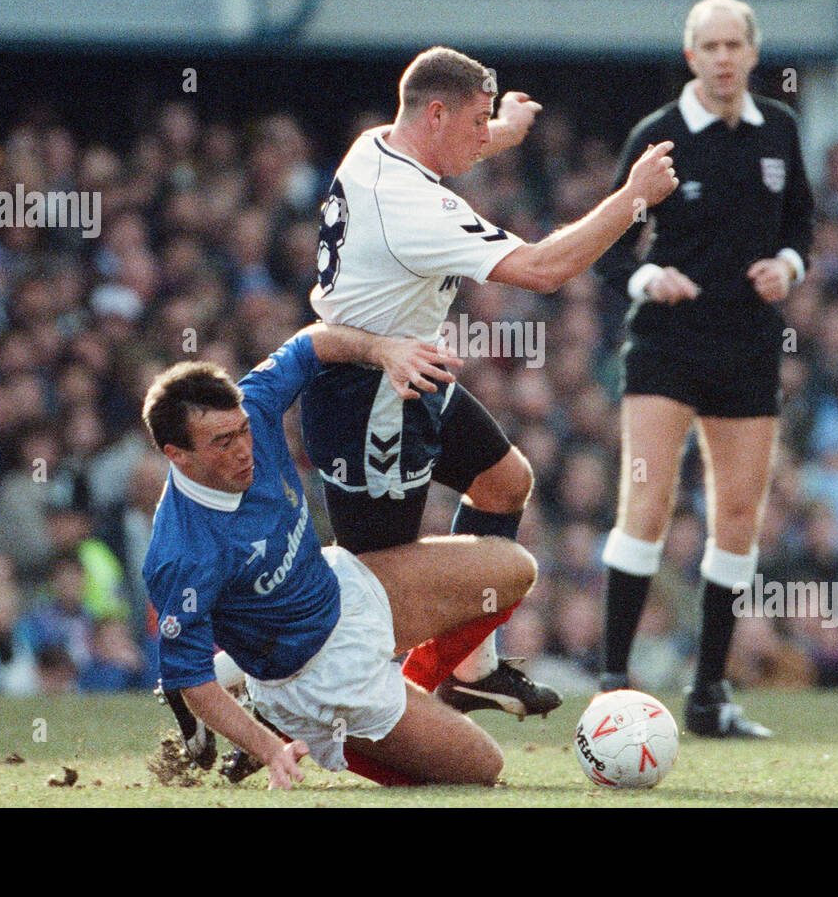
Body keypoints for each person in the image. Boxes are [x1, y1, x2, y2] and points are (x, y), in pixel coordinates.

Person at [300, 45, 678, 717]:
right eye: (477, 122)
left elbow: (453, 143)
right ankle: (258, 679)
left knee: (505, 481)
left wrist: (501, 128)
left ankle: (473, 668)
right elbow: (542, 268)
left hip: (407, 370)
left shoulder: (377, 145)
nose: (484, 138)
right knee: (381, 582)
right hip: (369, 399)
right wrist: (631, 199)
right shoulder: (412, 205)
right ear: (438, 114)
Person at [142, 323, 540, 787]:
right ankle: (299, 726)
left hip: (340, 583)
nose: (245, 450)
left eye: (243, 431)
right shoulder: (181, 554)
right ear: (177, 455)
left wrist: (383, 349)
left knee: (515, 568)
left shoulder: (256, 402)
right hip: (317, 677)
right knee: (480, 770)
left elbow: (312, 343)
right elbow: (190, 681)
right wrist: (270, 750)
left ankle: (423, 691)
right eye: (223, 443)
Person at [594, 0, 814, 737]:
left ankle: (711, 692)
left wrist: (788, 264)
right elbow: (610, 240)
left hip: (749, 344)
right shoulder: (657, 137)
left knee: (741, 517)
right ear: (691, 57)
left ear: (753, 54)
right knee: (646, 505)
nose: (723, 57)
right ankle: (611, 682)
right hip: (666, 343)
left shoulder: (779, 130)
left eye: (735, 44)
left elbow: (802, 226)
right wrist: (644, 277)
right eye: (709, 46)